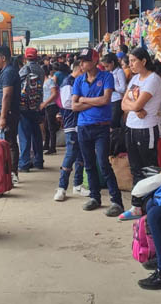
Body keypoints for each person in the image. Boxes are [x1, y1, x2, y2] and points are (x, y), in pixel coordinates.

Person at [72, 48, 124, 217]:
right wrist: (95, 102)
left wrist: (84, 100)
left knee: (103, 163)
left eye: (85, 60)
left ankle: (116, 201)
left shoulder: (106, 76)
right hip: (83, 126)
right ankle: (95, 197)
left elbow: (106, 100)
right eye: (81, 61)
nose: (82, 64)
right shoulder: (79, 80)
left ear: (94, 61)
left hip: (101, 126)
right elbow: (74, 105)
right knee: (89, 164)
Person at [118, 48, 161, 221]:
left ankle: (151, 205)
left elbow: (137, 104)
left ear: (144, 61)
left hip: (146, 128)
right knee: (135, 168)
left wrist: (135, 106)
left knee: (149, 169)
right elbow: (124, 103)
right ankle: (137, 206)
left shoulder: (153, 80)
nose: (131, 65)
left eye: (134, 61)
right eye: (129, 61)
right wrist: (135, 107)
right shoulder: (135, 79)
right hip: (131, 126)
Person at [54, 60, 87, 201]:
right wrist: (86, 102)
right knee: (71, 153)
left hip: (80, 121)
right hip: (71, 122)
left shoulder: (79, 81)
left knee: (81, 154)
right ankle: (62, 187)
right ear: (80, 68)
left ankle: (77, 185)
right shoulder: (68, 82)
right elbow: (69, 104)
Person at [0, 45, 22, 184]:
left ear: (3, 58)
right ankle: (8, 171)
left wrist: (3, 116)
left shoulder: (9, 72)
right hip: (5, 112)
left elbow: (7, 95)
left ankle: (12, 172)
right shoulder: (6, 71)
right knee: (6, 143)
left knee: (9, 143)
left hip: (8, 114)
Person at [18, 47, 45, 172]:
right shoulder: (40, 70)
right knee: (37, 134)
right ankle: (39, 161)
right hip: (37, 105)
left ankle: (24, 163)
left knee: (24, 135)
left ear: (25, 57)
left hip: (24, 106)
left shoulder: (24, 69)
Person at [101, 53, 127, 157]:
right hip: (110, 100)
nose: (106, 68)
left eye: (107, 66)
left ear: (112, 63)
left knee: (114, 125)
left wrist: (111, 86)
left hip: (117, 100)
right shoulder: (110, 72)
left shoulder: (119, 72)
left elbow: (123, 88)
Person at [40, 63, 60, 155]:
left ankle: (52, 146)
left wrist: (45, 103)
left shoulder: (50, 81)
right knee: (47, 126)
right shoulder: (44, 82)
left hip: (51, 105)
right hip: (47, 106)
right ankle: (47, 144)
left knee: (51, 127)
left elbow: (54, 93)